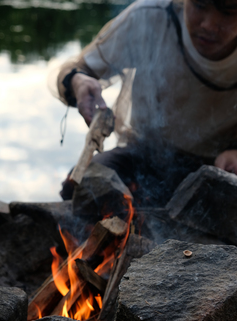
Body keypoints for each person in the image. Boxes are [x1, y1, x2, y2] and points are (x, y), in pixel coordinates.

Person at [52, 0, 237, 205]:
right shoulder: (150, 16)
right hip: (142, 155)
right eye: (200, 6)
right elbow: (75, 69)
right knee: (81, 186)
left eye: (229, 12)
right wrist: (78, 81)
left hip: (219, 168)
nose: (209, 25)